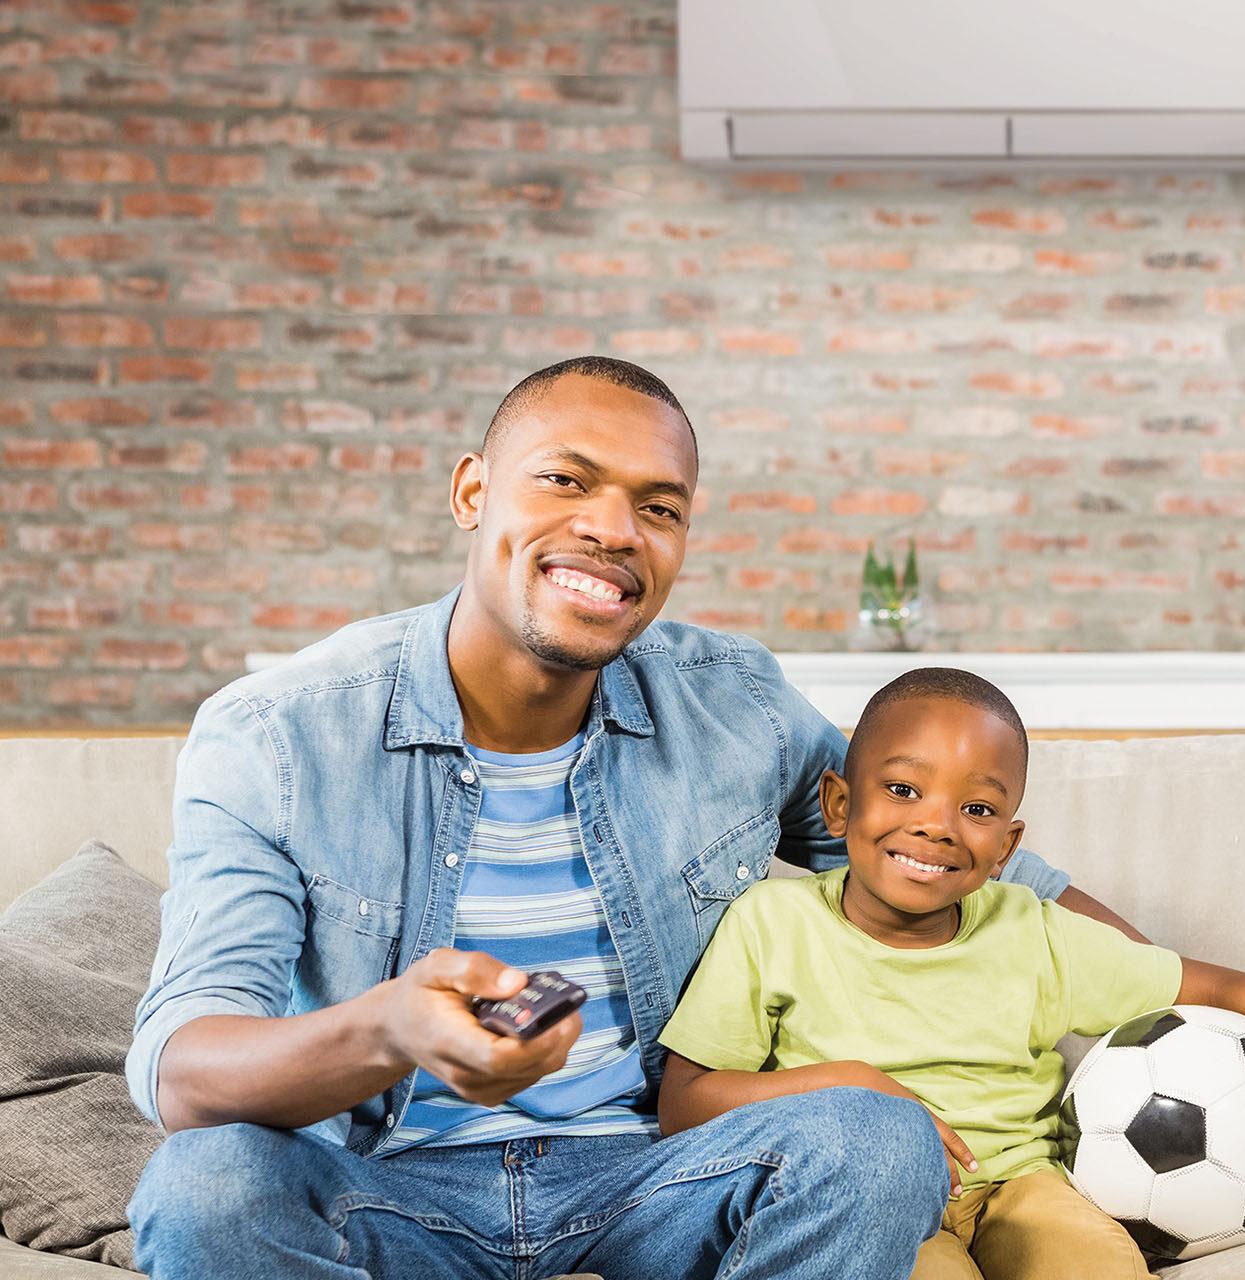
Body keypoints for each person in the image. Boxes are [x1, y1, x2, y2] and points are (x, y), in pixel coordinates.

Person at [124, 356, 1138, 1280]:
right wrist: (389, 1026)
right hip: (384, 1187)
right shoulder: (276, 733)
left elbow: (976, 870)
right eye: (566, 479)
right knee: (204, 1181)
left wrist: (1211, 1035)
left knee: (877, 1137)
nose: (613, 528)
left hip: (656, 1174)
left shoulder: (732, 705)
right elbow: (183, 1064)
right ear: (473, 491)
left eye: (658, 506)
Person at [654, 667, 1245, 1280]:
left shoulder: (1035, 934)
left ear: (1007, 845)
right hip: (873, 1200)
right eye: (905, 790)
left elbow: (1228, 991)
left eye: (976, 807)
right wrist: (841, 1081)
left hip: (1023, 1188)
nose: (938, 823)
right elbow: (686, 1104)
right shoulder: (770, 925)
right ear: (839, 805)